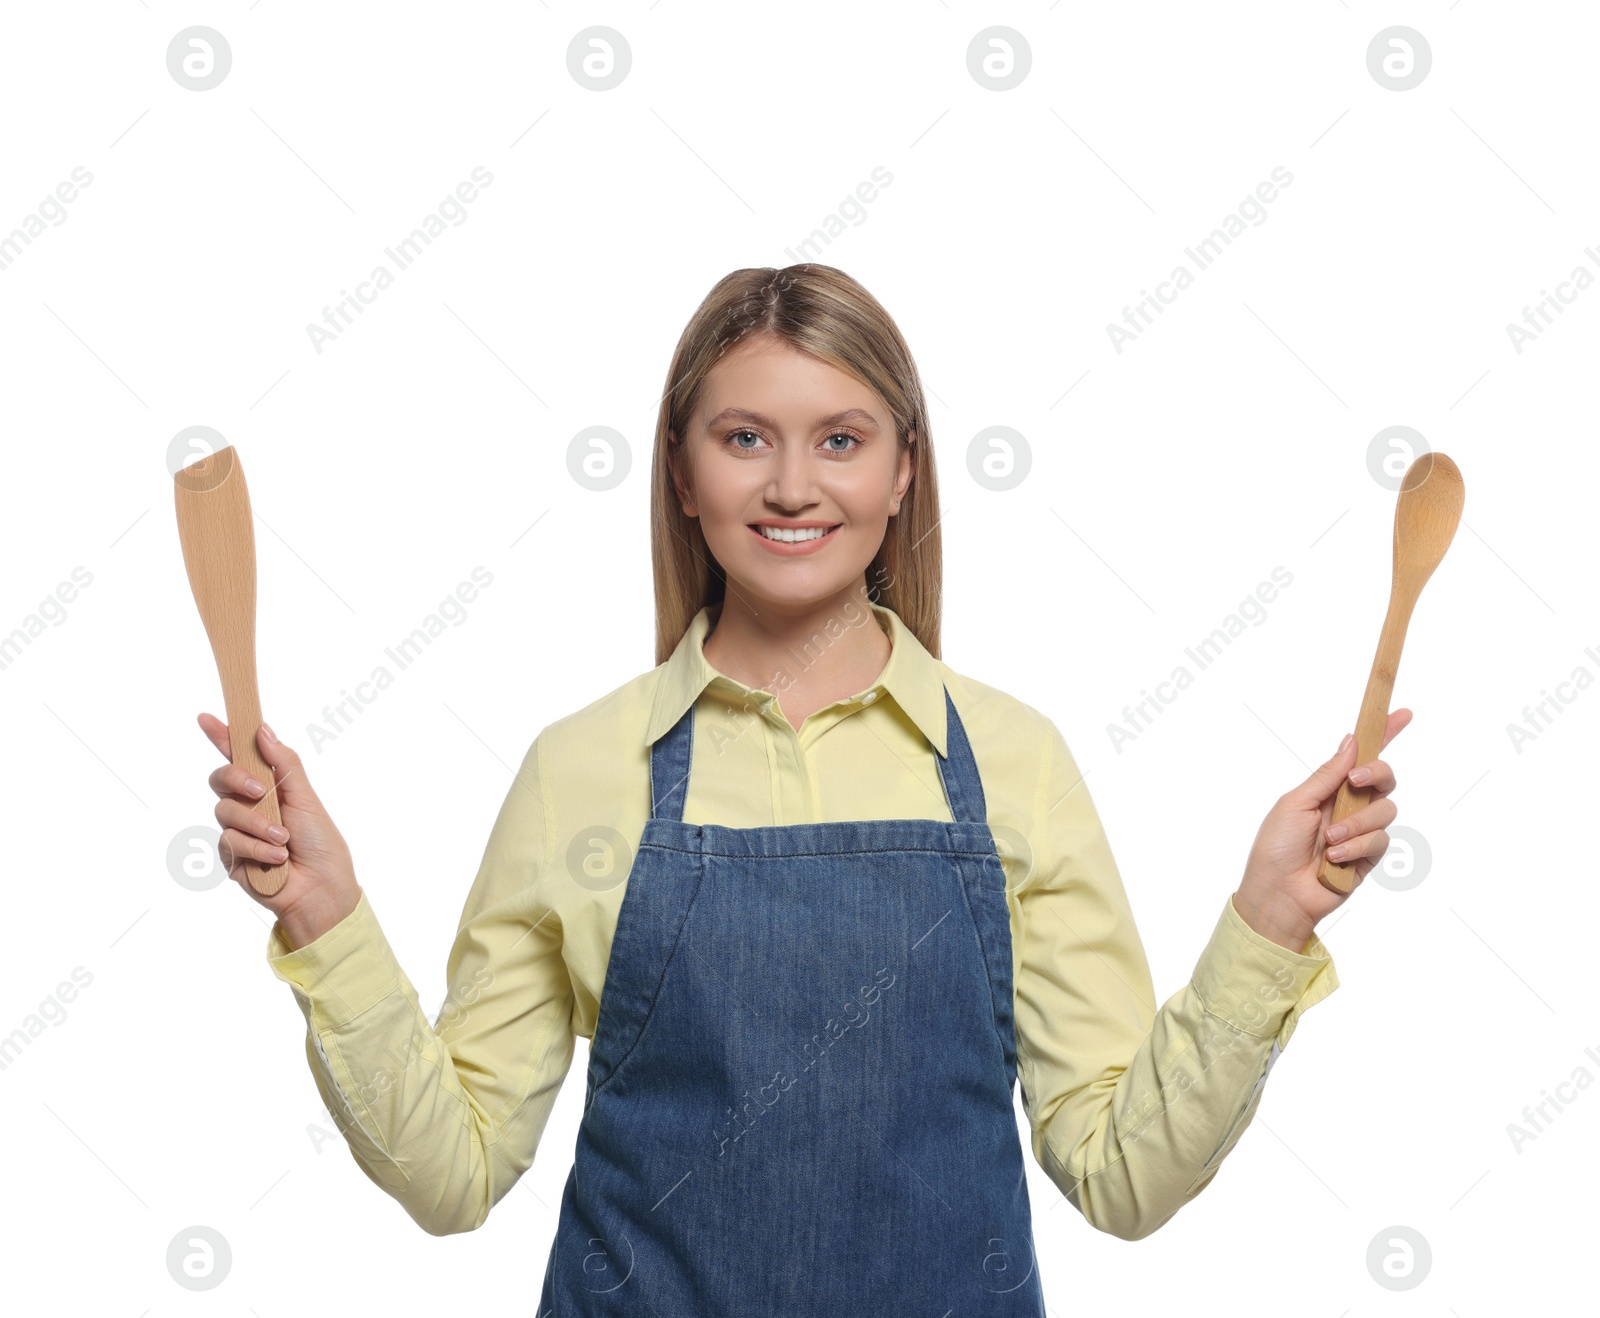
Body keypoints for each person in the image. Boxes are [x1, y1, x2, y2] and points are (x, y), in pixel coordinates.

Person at [198, 265, 1406, 1314]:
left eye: (840, 438)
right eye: (742, 438)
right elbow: (452, 1175)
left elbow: (1120, 1177)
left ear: (901, 473)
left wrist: (1269, 922)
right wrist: (325, 917)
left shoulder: (1013, 762)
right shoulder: (580, 771)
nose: (790, 487)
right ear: (681, 471)